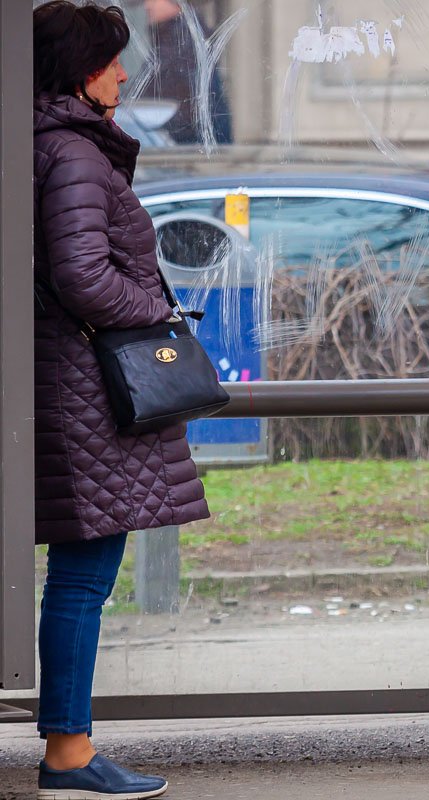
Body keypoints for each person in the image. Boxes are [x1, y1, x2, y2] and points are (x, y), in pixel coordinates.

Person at [33, 2, 211, 797]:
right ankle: (68, 754)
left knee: (80, 573)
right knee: (83, 577)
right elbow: (81, 275)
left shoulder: (51, 143)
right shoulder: (73, 152)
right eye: (111, 62)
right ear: (80, 73)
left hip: (68, 380)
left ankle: (69, 746)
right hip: (86, 390)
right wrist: (156, 312)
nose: (124, 73)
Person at [142, 0, 233, 145]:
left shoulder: (184, 41)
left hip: (189, 146)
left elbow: (155, 93)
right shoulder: (173, 36)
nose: (147, 5)